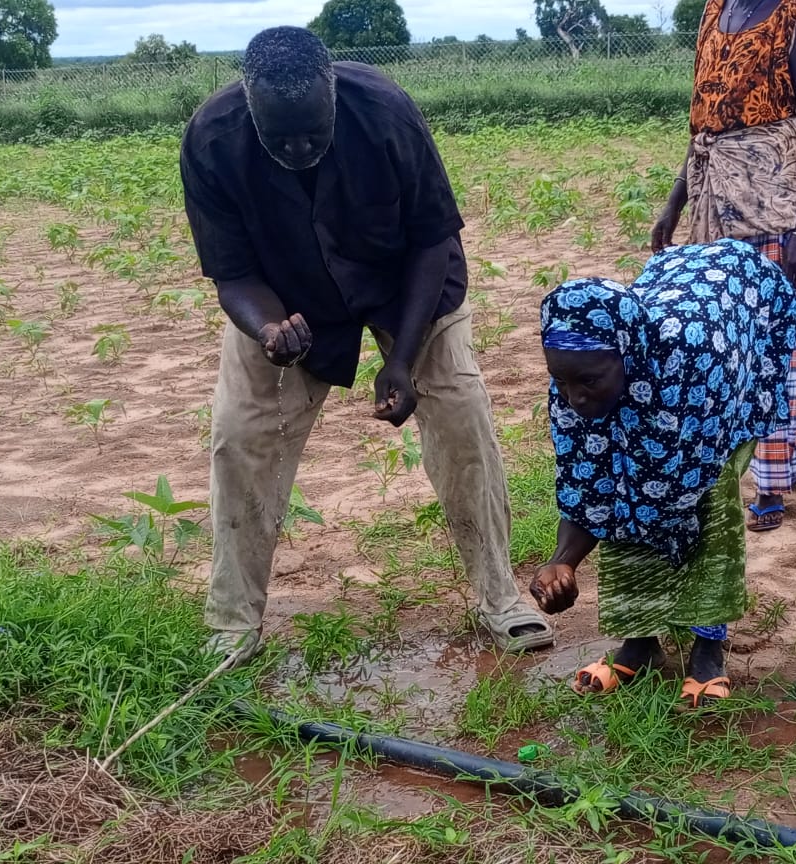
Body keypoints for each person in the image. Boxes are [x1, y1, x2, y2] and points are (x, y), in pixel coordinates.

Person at [180, 26, 552, 665]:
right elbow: (232, 273)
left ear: (331, 94)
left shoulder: (383, 111)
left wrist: (402, 360)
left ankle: (500, 597)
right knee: (239, 435)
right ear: (249, 104)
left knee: (463, 415)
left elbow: (434, 240)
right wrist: (269, 330)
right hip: (284, 299)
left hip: (405, 287)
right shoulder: (213, 139)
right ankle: (233, 620)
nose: (299, 147)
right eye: (281, 136)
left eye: (312, 131)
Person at [529, 240, 796, 709]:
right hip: (673, 329)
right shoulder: (575, 383)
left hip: (724, 344)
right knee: (625, 490)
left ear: (627, 356)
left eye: (588, 381)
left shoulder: (691, 370)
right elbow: (590, 486)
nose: (574, 398)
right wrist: (562, 560)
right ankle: (640, 643)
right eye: (562, 381)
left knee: (708, 508)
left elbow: (674, 493)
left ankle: (708, 649)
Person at [652, 0, 796, 534]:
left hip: (779, 214)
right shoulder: (715, 13)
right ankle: (721, 470)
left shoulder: (794, 18)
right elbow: (701, 129)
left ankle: (773, 480)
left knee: (780, 350)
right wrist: (674, 202)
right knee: (721, 346)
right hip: (715, 208)